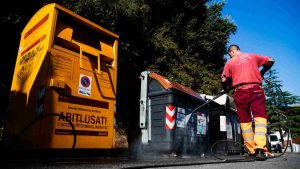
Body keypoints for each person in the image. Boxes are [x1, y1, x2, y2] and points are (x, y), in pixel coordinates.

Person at [221, 44, 275, 161]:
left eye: (229, 54)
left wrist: (225, 88)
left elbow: (224, 79)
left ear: (231, 52)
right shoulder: (252, 56)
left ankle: (252, 151)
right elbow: (271, 60)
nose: (230, 56)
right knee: (260, 118)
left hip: (240, 92)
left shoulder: (230, 62)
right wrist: (263, 71)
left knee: (245, 121)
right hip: (256, 89)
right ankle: (260, 149)